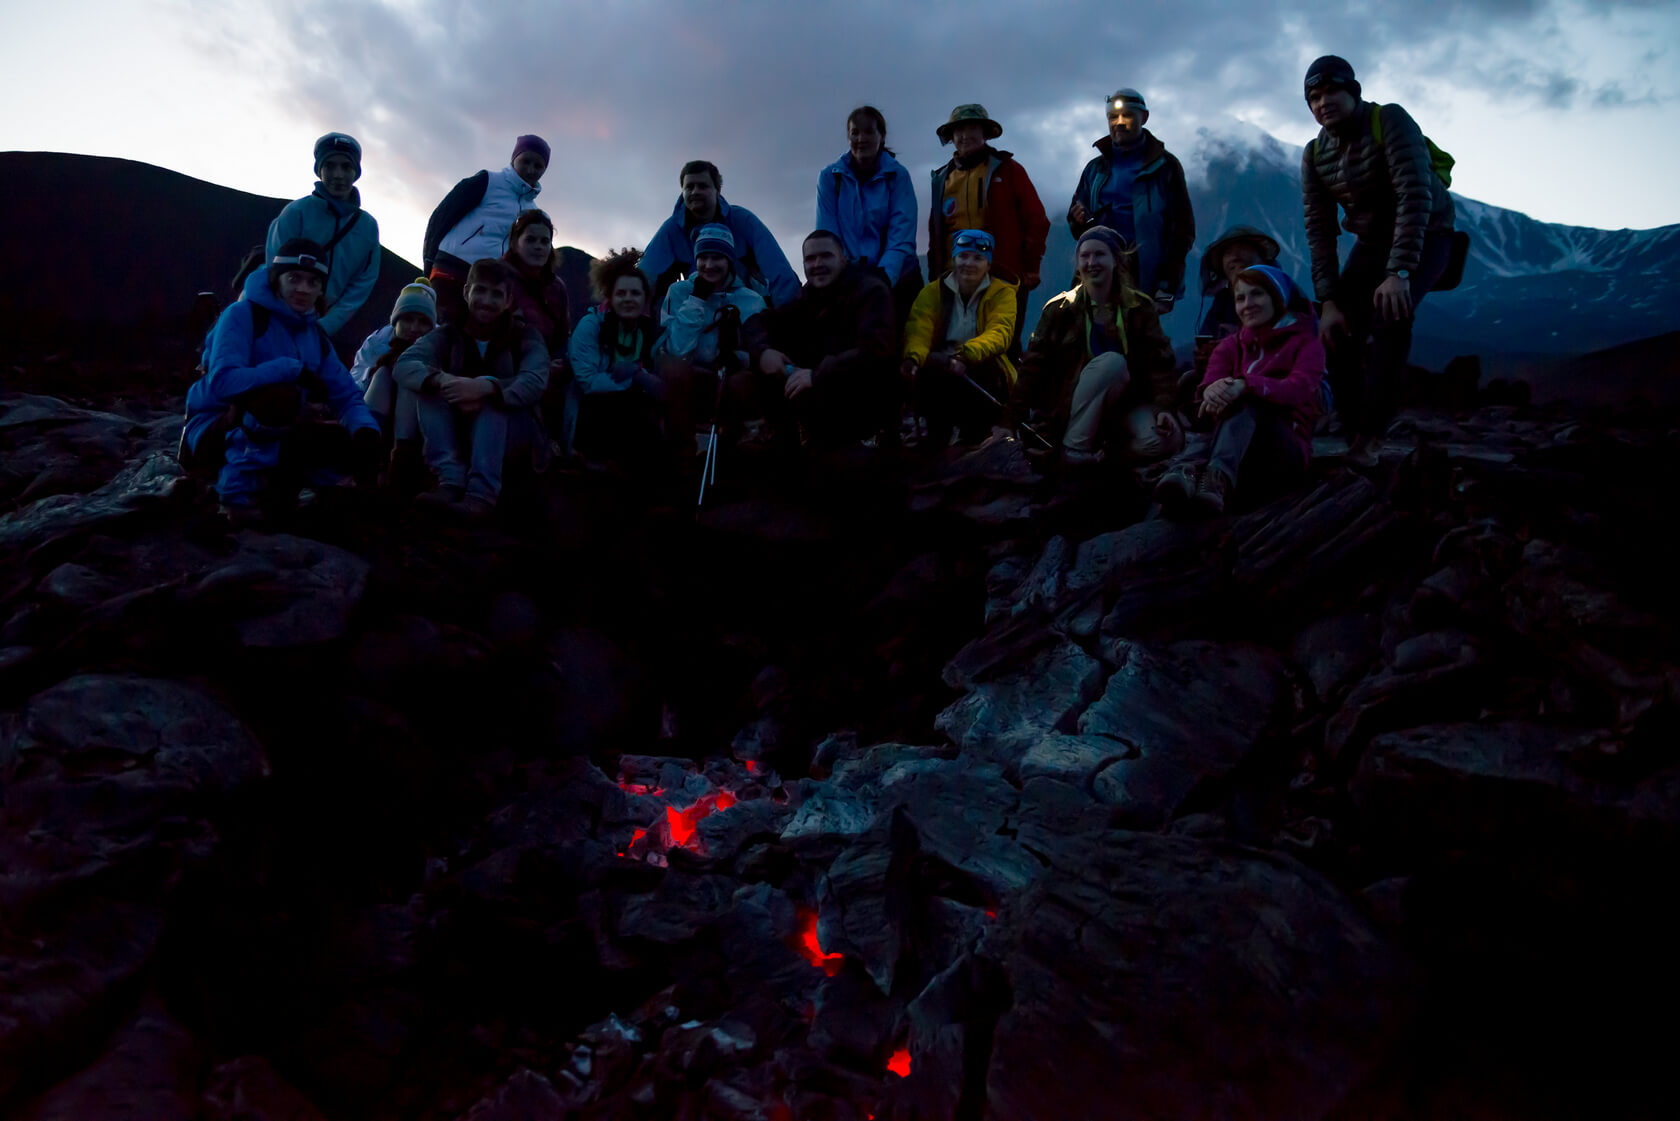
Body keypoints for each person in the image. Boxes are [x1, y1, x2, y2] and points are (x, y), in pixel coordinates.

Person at [1302, 54, 1455, 466]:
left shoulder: (1388, 119)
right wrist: (1329, 300)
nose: (1323, 102)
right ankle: (1354, 432)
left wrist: (1400, 271)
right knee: (1336, 329)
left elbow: (1415, 194)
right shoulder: (1315, 154)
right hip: (1371, 242)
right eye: (1314, 97)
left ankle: (1371, 439)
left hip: (1428, 232)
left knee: (1391, 317)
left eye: (1332, 91)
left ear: (1353, 91)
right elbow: (1319, 229)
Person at [183, 239, 382, 524]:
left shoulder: (314, 336)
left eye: (313, 282)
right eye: (294, 278)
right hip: (213, 430)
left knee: (345, 436)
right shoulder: (242, 315)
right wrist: (289, 368)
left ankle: (294, 491)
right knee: (277, 397)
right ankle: (237, 499)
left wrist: (365, 431)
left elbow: (346, 396)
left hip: (277, 428)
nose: (303, 289)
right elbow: (223, 383)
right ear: (278, 279)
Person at [998, 226, 1178, 466]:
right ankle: (1075, 450)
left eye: (1100, 254)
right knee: (1112, 364)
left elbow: (1160, 363)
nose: (1092, 262)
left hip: (1128, 406)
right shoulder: (1059, 310)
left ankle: (1104, 457)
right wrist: (1009, 423)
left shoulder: (1140, 308)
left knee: (1166, 440)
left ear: (1116, 260)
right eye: (1085, 256)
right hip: (1071, 409)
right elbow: (1032, 369)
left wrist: (1164, 407)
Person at [1156, 265, 1324, 516]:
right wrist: (1212, 391)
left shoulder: (1306, 344)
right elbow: (1209, 386)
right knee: (1222, 400)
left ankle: (1209, 476)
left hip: (1285, 448)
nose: (1248, 304)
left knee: (1247, 401)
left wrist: (1246, 385)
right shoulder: (1229, 346)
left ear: (1277, 297)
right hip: (1230, 443)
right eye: (1240, 298)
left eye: (1257, 294)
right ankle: (1191, 475)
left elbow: (1300, 390)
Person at [394, 258, 550, 519]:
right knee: (428, 386)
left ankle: (481, 495)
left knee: (494, 402)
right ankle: (450, 481)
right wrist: (444, 381)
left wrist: (488, 388)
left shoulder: (525, 336)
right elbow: (405, 364)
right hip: (460, 429)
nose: (486, 301)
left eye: (496, 294)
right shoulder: (448, 333)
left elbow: (535, 379)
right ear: (467, 292)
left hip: (513, 438)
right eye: (480, 291)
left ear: (509, 300)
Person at [747, 230, 897, 451]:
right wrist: (762, 353)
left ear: (843, 258)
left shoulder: (871, 291)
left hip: (863, 398)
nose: (817, 264)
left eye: (826, 256)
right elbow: (758, 323)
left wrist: (817, 375)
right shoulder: (808, 297)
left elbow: (876, 351)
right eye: (810, 259)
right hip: (820, 393)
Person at [927, 104, 1049, 355]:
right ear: (951, 137)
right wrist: (934, 276)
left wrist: (1031, 266)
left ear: (985, 133)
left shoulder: (1008, 170)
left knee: (1004, 346)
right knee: (952, 347)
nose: (964, 135)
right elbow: (935, 234)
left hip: (1003, 276)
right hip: (953, 280)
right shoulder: (941, 179)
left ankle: (1010, 394)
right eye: (958, 129)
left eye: (972, 127)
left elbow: (1036, 219)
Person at [1067, 90, 1195, 314]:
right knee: (1088, 339)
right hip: (1097, 269)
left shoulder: (1165, 166)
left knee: (1139, 342)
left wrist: (1166, 288)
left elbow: (1182, 232)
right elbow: (1077, 225)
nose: (1119, 122)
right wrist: (1078, 220)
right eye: (1112, 117)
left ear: (1143, 118)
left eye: (1127, 116)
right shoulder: (1095, 169)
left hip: (1144, 276)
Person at [650, 224, 770, 460]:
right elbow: (676, 349)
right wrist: (696, 300)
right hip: (690, 372)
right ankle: (681, 453)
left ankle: (734, 449)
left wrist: (737, 357)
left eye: (718, 257)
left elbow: (758, 345)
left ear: (729, 260)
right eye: (703, 257)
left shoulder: (751, 300)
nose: (709, 264)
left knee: (745, 382)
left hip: (728, 377)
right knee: (673, 369)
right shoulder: (678, 292)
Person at [901, 228, 1018, 445]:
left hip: (980, 369)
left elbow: (1000, 332)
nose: (969, 263)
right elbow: (920, 328)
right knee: (928, 368)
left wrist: (966, 355)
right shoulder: (932, 293)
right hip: (941, 367)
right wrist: (913, 359)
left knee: (985, 369)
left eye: (978, 258)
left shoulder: (1002, 294)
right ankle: (935, 438)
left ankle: (973, 438)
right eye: (963, 256)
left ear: (988, 264)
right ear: (954, 258)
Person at [264, 133, 382, 338]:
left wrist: (325, 326)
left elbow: (362, 284)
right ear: (319, 170)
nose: (338, 174)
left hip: (323, 332)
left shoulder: (368, 228)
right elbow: (273, 268)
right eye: (330, 166)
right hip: (278, 321)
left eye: (346, 166)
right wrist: (286, 319)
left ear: (356, 172)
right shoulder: (296, 212)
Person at [423, 136, 550, 325]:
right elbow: (441, 217)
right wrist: (429, 261)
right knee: (439, 334)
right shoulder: (487, 181)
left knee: (471, 344)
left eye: (538, 166)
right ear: (514, 158)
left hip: (488, 284)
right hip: (453, 269)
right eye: (525, 161)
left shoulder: (534, 212)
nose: (531, 169)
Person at [641, 161, 800, 308]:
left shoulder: (743, 221)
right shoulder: (671, 230)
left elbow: (777, 268)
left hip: (744, 310)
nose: (695, 191)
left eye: (703, 186)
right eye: (689, 187)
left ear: (717, 190)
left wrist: (786, 314)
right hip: (694, 312)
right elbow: (645, 275)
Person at [816, 106, 922, 323]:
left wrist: (882, 279)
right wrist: (847, 276)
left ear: (881, 137)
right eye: (855, 132)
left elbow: (901, 235)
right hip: (848, 277)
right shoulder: (829, 178)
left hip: (895, 278)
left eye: (868, 132)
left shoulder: (898, 176)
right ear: (848, 137)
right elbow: (827, 234)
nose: (861, 138)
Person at [567, 248, 663, 459]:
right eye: (621, 293)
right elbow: (588, 381)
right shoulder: (591, 326)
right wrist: (636, 379)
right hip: (591, 412)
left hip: (630, 409)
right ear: (609, 297)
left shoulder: (644, 331)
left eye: (635, 293)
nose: (628, 299)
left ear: (645, 298)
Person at [350, 277, 437, 488]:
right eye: (408, 319)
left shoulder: (440, 345)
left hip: (421, 421)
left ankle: (399, 467)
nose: (415, 328)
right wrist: (374, 374)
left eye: (423, 321)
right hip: (379, 408)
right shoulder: (377, 341)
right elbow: (355, 378)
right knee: (383, 375)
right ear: (395, 320)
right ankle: (367, 456)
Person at [501, 208, 572, 438]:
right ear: (514, 242)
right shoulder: (497, 276)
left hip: (547, 366)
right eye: (530, 239)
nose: (539, 246)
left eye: (545, 241)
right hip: (505, 363)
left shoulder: (557, 288)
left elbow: (562, 335)